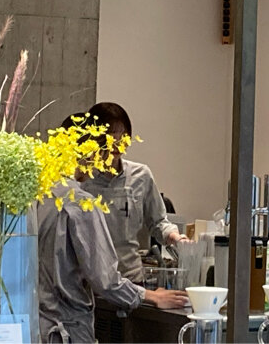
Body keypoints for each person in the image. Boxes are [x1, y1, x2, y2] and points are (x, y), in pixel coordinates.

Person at [38, 114, 188, 343]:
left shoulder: (41, 196)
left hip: (40, 322)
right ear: (91, 152)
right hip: (70, 328)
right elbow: (106, 280)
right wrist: (152, 296)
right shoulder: (81, 204)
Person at [81, 102, 189, 283]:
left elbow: (158, 221)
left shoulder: (141, 175)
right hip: (92, 280)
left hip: (131, 277)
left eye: (122, 135)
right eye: (110, 135)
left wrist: (175, 237)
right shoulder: (82, 177)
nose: (117, 142)